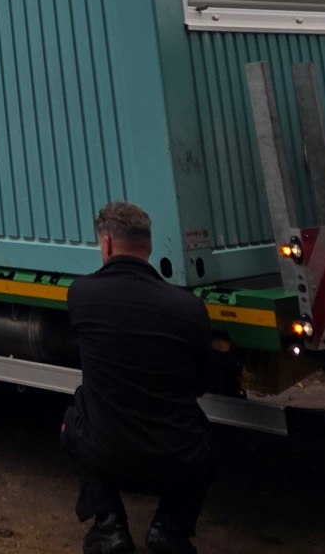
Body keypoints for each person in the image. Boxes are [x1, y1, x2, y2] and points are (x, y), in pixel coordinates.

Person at [61, 200, 216, 554]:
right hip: (175, 460)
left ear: (107, 244)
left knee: (73, 419)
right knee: (207, 437)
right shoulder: (189, 308)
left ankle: (109, 526)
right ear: (147, 245)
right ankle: (170, 528)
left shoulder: (81, 296)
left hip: (106, 455)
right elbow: (201, 384)